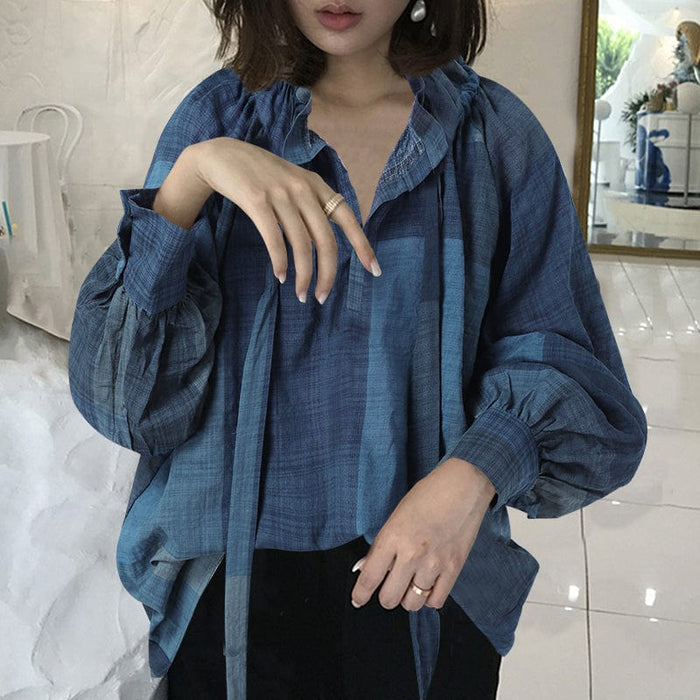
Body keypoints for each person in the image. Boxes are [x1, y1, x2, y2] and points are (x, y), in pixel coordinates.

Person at [68, 1, 647, 698]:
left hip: (429, 583)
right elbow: (125, 403)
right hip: (233, 596)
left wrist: (475, 473)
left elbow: (574, 371)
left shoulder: (493, 136)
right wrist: (192, 178)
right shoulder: (218, 120)